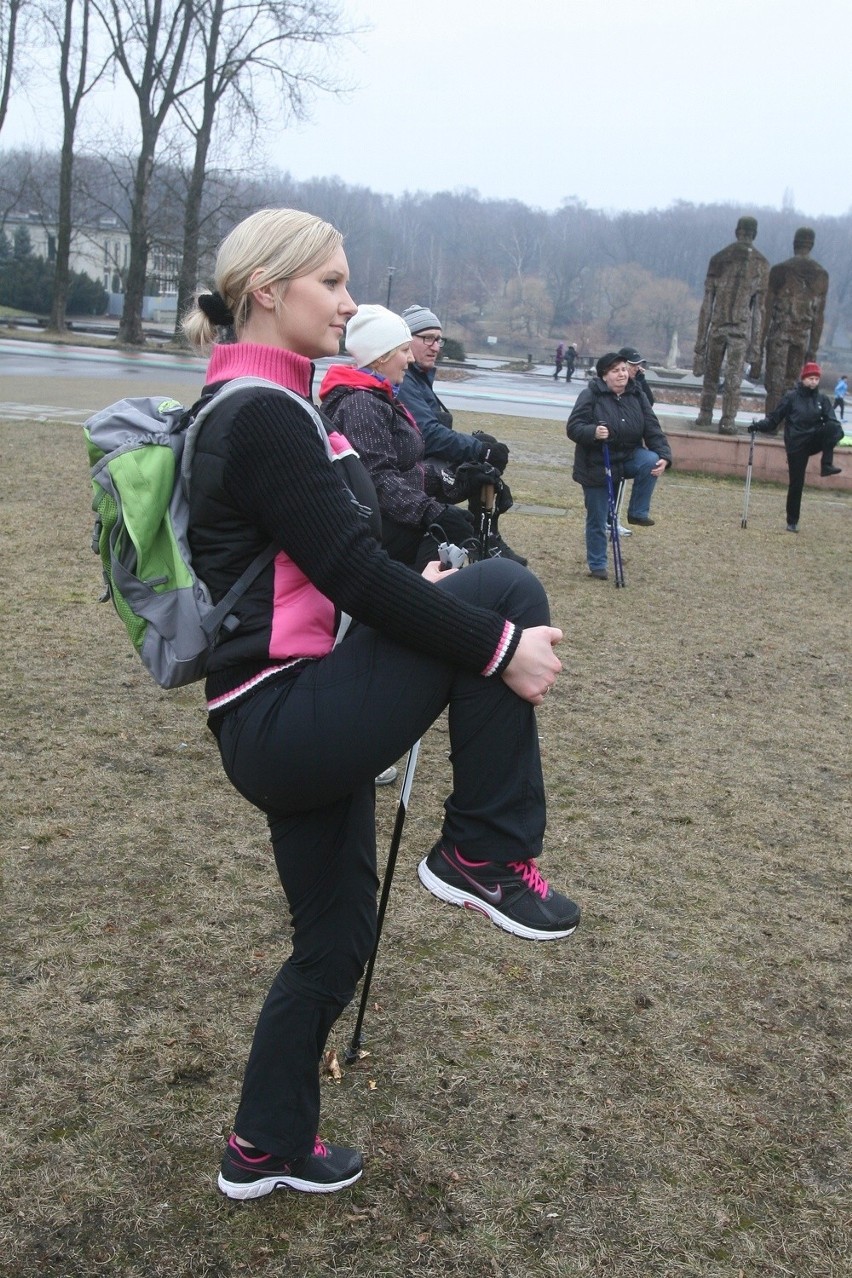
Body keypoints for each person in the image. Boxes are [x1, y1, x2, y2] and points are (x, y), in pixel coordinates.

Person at [180, 208, 581, 1201]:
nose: (351, 302)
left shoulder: (269, 404)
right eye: (332, 281)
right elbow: (355, 573)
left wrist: (427, 580)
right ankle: (484, 847)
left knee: (334, 942)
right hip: (285, 715)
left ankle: (263, 1145)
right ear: (269, 291)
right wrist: (493, 649)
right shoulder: (261, 414)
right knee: (508, 594)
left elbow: (337, 565)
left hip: (286, 709)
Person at [318, 304, 481, 569]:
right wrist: (433, 512)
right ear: (382, 356)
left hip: (393, 526)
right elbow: (377, 481)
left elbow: (406, 471)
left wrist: (457, 480)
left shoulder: (378, 396)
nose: (411, 359)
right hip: (378, 538)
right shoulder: (361, 403)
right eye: (405, 350)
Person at [397, 304, 526, 564]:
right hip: (413, 475)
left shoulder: (418, 378)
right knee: (483, 458)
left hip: (425, 467)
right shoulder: (405, 381)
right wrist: (480, 450)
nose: (436, 346)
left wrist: (480, 446)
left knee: (485, 450)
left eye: (438, 339)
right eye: (427, 338)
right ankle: (482, 539)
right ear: (405, 339)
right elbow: (429, 434)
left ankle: (487, 535)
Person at [566, 352, 672, 579]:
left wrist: (664, 454)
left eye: (624, 369)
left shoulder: (637, 395)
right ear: (604, 376)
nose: (622, 374)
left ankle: (637, 512)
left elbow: (652, 427)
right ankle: (597, 566)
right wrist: (593, 432)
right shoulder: (591, 395)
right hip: (596, 463)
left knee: (651, 460)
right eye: (615, 371)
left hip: (628, 457)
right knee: (598, 516)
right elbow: (573, 427)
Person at [692, 216, 770, 434]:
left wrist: (700, 345)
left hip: (717, 326)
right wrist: (756, 347)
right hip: (740, 330)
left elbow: (706, 306)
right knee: (733, 379)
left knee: (711, 375)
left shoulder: (719, 259)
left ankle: (705, 414)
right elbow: (759, 313)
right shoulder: (761, 265)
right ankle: (727, 420)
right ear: (754, 234)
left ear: (737, 231)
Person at [751, 361, 843, 532]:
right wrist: (758, 426)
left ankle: (826, 465)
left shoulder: (822, 399)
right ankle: (792, 521)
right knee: (796, 483)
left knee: (833, 427)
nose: (813, 382)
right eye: (810, 378)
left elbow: (831, 421)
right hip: (796, 444)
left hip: (813, 439)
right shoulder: (791, 397)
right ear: (803, 379)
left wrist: (834, 435)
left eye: (816, 379)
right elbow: (774, 419)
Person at [754, 227, 829, 413]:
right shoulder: (821, 275)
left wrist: (758, 346)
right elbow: (819, 317)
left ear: (794, 243)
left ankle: (773, 422)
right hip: (802, 338)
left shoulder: (780, 271)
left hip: (780, 335)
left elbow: (767, 311)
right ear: (811, 245)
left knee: (775, 383)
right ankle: (787, 424)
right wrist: (813, 349)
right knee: (792, 384)